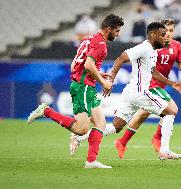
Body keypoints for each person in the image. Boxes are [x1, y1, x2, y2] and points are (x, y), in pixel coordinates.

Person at [70, 21, 181, 160]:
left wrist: (172, 83)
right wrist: (111, 80)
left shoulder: (153, 51)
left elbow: (152, 72)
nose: (165, 38)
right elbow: (121, 58)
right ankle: (165, 150)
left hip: (131, 93)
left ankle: (80, 138)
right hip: (140, 92)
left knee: (116, 126)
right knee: (171, 111)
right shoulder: (143, 48)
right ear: (153, 34)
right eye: (162, 35)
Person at [27, 14, 124, 169]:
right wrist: (103, 82)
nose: (118, 34)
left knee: (100, 123)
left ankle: (91, 161)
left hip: (85, 84)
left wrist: (96, 74)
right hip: (83, 86)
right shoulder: (100, 44)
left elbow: (75, 65)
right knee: (81, 129)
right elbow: (88, 65)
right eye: (117, 31)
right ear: (108, 29)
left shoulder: (89, 39)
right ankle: (47, 111)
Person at [113, 18, 181, 159]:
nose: (167, 34)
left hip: (159, 86)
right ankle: (158, 140)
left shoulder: (177, 46)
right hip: (149, 85)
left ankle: (122, 141)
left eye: (171, 31)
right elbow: (145, 65)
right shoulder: (154, 46)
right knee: (171, 110)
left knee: (141, 115)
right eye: (165, 31)